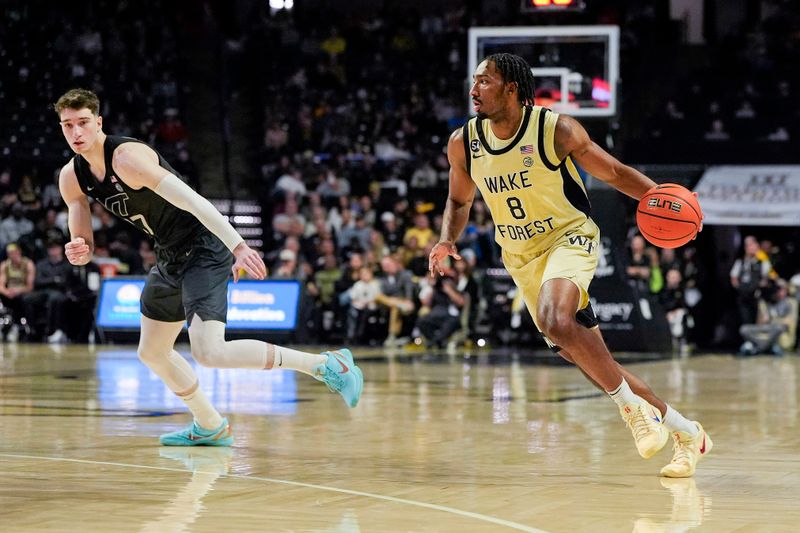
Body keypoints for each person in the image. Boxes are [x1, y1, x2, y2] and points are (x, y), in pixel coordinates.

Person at [429, 53, 710, 477]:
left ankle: (630, 411)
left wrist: (662, 198)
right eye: (474, 82)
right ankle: (688, 433)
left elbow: (614, 172)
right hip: (520, 257)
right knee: (593, 363)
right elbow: (458, 199)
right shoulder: (463, 142)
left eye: (484, 82)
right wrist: (447, 238)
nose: (474, 90)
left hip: (569, 237)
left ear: (512, 89)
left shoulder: (554, 129)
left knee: (556, 319)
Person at [54, 88, 363, 446]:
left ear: (99, 122)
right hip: (169, 253)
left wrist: (238, 245)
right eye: (67, 125)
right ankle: (210, 425)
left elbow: (195, 201)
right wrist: (81, 250)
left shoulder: (127, 159)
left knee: (209, 351)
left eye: (83, 123)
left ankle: (328, 366)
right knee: (152, 352)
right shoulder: (71, 176)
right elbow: (83, 237)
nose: (76, 133)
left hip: (203, 246)